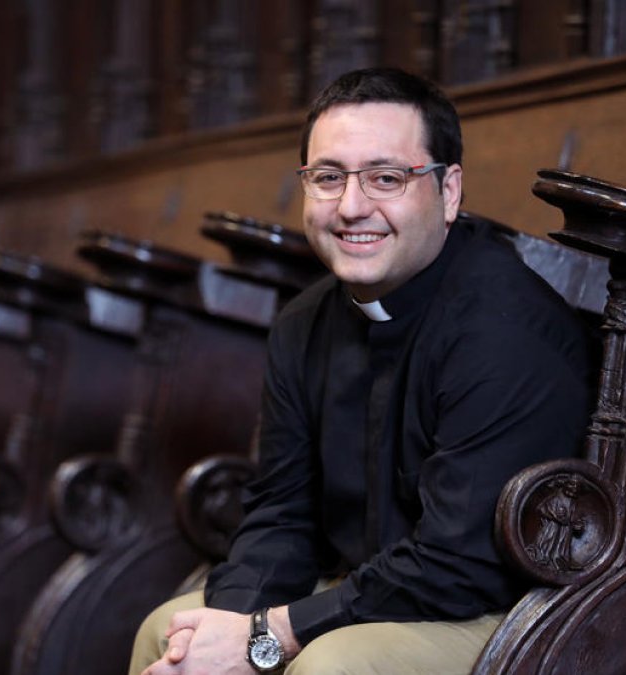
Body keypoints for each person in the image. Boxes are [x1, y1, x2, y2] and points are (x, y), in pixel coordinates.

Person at [131, 66, 594, 675]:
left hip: (491, 611)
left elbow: (458, 564)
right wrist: (234, 630)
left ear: (448, 191)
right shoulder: (304, 322)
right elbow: (280, 513)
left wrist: (266, 637)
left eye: (386, 178)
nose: (351, 207)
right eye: (327, 178)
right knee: (167, 634)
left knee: (335, 666)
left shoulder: (506, 326)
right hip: (358, 590)